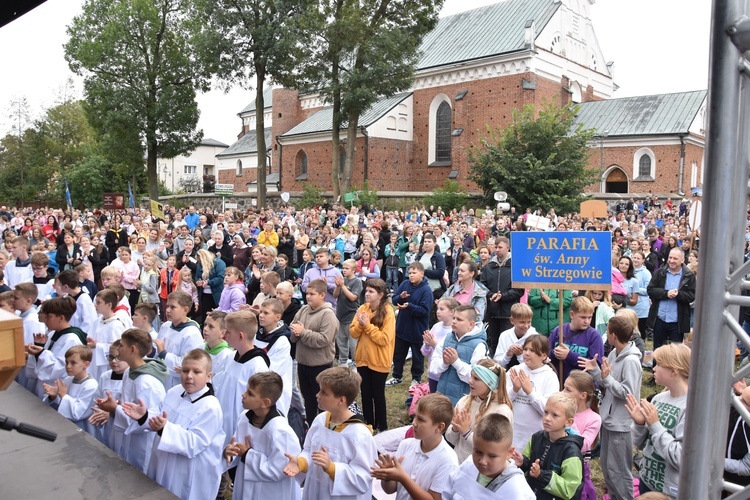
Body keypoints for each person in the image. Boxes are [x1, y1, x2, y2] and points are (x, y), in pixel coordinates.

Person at [122, 349, 225, 500]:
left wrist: (165, 428)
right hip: (162, 461)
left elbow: (195, 443)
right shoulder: (176, 391)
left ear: (209, 376)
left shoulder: (210, 406)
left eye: (196, 372)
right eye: (185, 370)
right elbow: (158, 412)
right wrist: (144, 416)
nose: (189, 376)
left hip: (187, 473)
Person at [283, 366, 378, 500]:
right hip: (315, 491)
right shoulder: (320, 420)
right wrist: (301, 463)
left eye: (324, 392)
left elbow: (363, 477)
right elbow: (309, 450)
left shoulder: (359, 435)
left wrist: (332, 468)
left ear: (341, 400)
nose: (318, 395)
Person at [580, 315, 642, 500]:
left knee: (619, 471)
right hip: (608, 419)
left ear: (613, 335)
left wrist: (606, 378)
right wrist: (596, 371)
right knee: (607, 467)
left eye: (607, 331)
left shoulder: (631, 361)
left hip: (620, 424)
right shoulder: (615, 353)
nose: (606, 335)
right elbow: (609, 383)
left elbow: (628, 393)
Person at [90, 328, 168, 472]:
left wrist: (114, 409)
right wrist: (116, 404)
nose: (118, 348)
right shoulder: (129, 372)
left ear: (133, 349)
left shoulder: (146, 383)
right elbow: (127, 403)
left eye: (121, 346)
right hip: (125, 439)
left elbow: (146, 421)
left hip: (140, 445)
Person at [626, 343, 691, 498]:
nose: (653, 368)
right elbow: (642, 444)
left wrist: (655, 425)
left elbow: (682, 458)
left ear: (674, 371)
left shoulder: (691, 407)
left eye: (659, 364)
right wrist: (640, 424)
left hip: (670, 491)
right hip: (647, 480)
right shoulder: (658, 399)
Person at [225, 371, 302, 499]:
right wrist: (229, 451)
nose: (243, 395)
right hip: (246, 485)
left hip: (270, 492)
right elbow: (238, 449)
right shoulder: (244, 417)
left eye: (250, 394)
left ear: (265, 402)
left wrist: (248, 454)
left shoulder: (281, 431)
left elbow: (278, 470)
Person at [370, 393, 458, 499]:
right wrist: (388, 477)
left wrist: (403, 478)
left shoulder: (447, 460)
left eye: (421, 419)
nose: (413, 423)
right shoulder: (406, 444)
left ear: (439, 427)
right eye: (414, 416)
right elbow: (390, 490)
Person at [213, 310, 270, 450]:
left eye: (228, 333)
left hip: (241, 428)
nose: (224, 336)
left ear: (240, 336)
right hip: (223, 422)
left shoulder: (257, 366)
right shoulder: (230, 357)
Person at [443, 413, 535, 499]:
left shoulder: (518, 492)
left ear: (509, 452)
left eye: (492, 456)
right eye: (478, 452)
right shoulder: (468, 466)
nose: (482, 461)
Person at [513, 392, 584, 500]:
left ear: (569, 422)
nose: (547, 418)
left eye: (554, 415)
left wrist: (541, 475)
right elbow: (529, 466)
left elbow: (569, 489)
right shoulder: (536, 437)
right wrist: (523, 462)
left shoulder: (571, 452)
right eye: (546, 412)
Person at [290, 279, 340, 426]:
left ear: (323, 295)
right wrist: (295, 333)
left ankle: (324, 427)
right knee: (308, 399)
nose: (308, 297)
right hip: (303, 363)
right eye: (307, 293)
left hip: (320, 365)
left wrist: (303, 333)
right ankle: (310, 426)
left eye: (312, 294)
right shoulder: (303, 310)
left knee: (322, 401)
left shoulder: (328, 315)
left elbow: (324, 340)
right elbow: (293, 330)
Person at [445, 358, 514, 464]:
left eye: (476, 379)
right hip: (457, 464)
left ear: (490, 383)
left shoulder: (501, 412)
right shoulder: (464, 402)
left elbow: (492, 449)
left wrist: (466, 432)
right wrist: (455, 428)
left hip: (480, 470)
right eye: (471, 376)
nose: (470, 381)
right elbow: (451, 439)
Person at [350, 278, 395, 432]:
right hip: (363, 360)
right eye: (366, 291)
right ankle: (368, 425)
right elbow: (353, 332)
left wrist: (367, 326)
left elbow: (384, 339)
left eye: (371, 291)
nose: (367, 294)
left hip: (379, 361)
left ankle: (382, 427)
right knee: (365, 395)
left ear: (380, 294)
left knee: (378, 395)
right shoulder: (363, 308)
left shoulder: (388, 312)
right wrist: (361, 326)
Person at [26, 297, 87, 399]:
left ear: (61, 318)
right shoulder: (52, 334)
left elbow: (61, 368)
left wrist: (41, 353)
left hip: (57, 388)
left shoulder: (71, 339)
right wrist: (39, 347)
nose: (45, 319)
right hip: (43, 386)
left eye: (49, 316)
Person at [507, 335, 559, 451]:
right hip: (512, 431)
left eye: (532, 351)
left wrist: (530, 392)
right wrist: (514, 390)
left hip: (535, 434)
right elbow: (502, 402)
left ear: (544, 355)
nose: (527, 353)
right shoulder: (514, 370)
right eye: (525, 349)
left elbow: (549, 409)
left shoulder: (550, 376)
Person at [430, 305, 489, 405]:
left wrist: (456, 362)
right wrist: (444, 363)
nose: (454, 321)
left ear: (471, 324)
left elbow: (477, 377)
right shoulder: (447, 338)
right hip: (441, 395)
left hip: (464, 400)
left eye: (459, 319)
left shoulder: (479, 345)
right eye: (453, 318)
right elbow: (433, 368)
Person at [388, 262, 434, 387]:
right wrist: (401, 297)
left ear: (422, 273)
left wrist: (409, 306)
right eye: (410, 273)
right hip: (402, 327)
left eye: (414, 273)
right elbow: (394, 299)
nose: (411, 275)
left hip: (417, 330)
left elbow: (424, 311)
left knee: (417, 356)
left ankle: (416, 379)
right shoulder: (405, 284)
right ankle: (396, 376)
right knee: (398, 354)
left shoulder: (426, 290)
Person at [480, 236, 523, 356]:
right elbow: (482, 286)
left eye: (500, 247)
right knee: (493, 342)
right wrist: (491, 295)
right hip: (492, 312)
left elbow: (519, 290)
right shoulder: (489, 266)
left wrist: (503, 296)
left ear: (508, 248)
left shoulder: (515, 266)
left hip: (508, 312)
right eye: (495, 247)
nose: (497, 250)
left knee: (508, 344)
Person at [647, 247, 696, 353]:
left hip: (677, 321)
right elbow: (650, 290)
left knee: (675, 352)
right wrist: (666, 293)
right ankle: (656, 369)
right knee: (658, 350)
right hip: (660, 318)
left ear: (682, 260)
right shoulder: (660, 272)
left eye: (675, 258)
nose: (672, 261)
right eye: (670, 257)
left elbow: (692, 295)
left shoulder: (689, 276)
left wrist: (678, 294)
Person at [564, 371, 601, 500]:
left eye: (568, 390)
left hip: (577, 470)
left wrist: (569, 421)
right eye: (563, 387)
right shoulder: (559, 410)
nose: (563, 392)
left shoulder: (594, 418)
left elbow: (584, 445)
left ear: (583, 395)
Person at [154, 290, 203, 389]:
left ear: (185, 310)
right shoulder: (166, 326)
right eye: (167, 306)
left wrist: (164, 354)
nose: (167, 310)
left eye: (173, 307)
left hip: (177, 385)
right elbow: (156, 351)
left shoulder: (191, 333)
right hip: (160, 379)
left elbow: (186, 365)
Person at [549, 296, 603, 383]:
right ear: (572, 315)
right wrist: (555, 353)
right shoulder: (559, 331)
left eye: (589, 317)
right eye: (583, 317)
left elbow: (595, 366)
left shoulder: (594, 336)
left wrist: (569, 355)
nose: (587, 321)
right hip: (559, 383)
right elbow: (546, 356)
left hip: (581, 386)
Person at [43, 345, 98, 430]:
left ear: (86, 364)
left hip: (83, 428)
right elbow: (59, 406)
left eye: (73, 363)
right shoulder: (68, 380)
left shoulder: (91, 385)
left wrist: (64, 396)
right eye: (67, 362)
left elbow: (78, 414)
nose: (68, 366)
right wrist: (53, 397)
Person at [255, 298, 294, 416]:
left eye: (266, 313)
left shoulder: (282, 341)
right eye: (261, 312)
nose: (261, 316)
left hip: (273, 390)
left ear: (278, 317)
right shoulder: (258, 334)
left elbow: (273, 372)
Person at [89, 340, 129, 448]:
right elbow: (97, 398)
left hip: (122, 426)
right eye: (110, 357)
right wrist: (100, 410)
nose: (114, 361)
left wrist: (111, 414)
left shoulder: (131, 379)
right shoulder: (105, 376)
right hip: (104, 425)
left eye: (118, 357)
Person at [86, 289, 127, 382]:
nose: (95, 305)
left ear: (109, 305)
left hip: (106, 365)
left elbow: (117, 348)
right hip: (94, 361)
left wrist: (97, 345)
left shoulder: (116, 325)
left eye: (98, 303)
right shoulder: (97, 321)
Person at [422, 297, 460, 393]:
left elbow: (451, 352)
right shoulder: (436, 326)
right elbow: (424, 352)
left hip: (446, 375)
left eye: (442, 309)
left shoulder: (455, 330)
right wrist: (426, 344)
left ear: (452, 312)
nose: (438, 312)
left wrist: (435, 344)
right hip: (433, 373)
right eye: (437, 308)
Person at [14, 283, 45, 390]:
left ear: (28, 301)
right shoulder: (20, 315)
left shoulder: (32, 321)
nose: (13, 300)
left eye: (16, 298)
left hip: (25, 370)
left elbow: (28, 349)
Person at [334, 259, 362, 367]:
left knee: (353, 344)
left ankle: (356, 364)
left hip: (351, 317)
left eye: (347, 268)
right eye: (343, 268)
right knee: (341, 342)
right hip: (340, 316)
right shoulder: (343, 280)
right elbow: (335, 296)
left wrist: (343, 286)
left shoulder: (357, 282)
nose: (344, 270)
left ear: (354, 270)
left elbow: (353, 297)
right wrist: (337, 286)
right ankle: (343, 362)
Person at [495, 303, 538, 370]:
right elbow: (498, 363)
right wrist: (508, 354)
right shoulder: (505, 335)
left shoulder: (534, 336)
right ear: (512, 320)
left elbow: (535, 365)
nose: (526, 326)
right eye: (522, 322)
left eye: (529, 322)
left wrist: (520, 355)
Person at [56, 269, 98, 335]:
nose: (59, 287)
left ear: (65, 286)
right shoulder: (66, 298)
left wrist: (77, 334)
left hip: (79, 336)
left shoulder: (84, 299)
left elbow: (89, 322)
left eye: (60, 285)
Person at [202, 310, 234, 378]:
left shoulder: (227, 356)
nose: (205, 329)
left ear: (222, 333)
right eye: (205, 325)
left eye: (211, 326)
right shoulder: (199, 348)